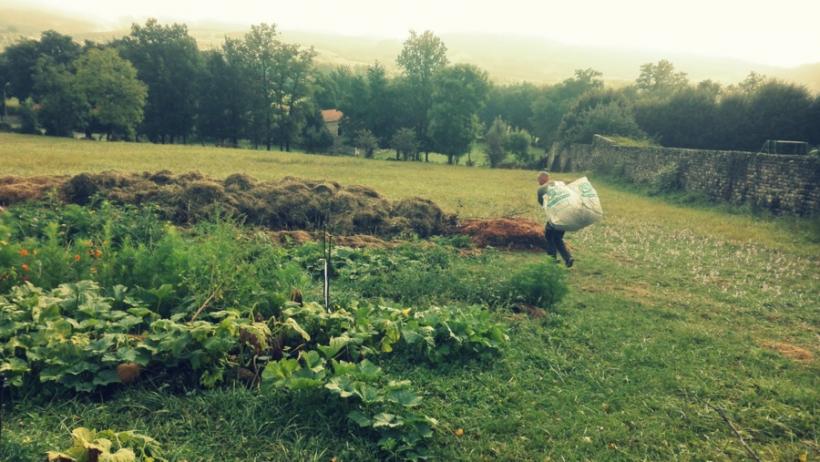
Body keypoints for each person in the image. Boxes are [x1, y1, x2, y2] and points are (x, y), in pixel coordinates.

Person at [537, 171, 574, 267]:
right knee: (557, 238)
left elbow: (542, 203)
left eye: (538, 179)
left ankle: (551, 260)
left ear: (542, 179)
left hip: (555, 216)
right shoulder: (557, 184)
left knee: (549, 236)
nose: (538, 181)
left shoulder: (541, 189)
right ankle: (568, 258)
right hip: (566, 214)